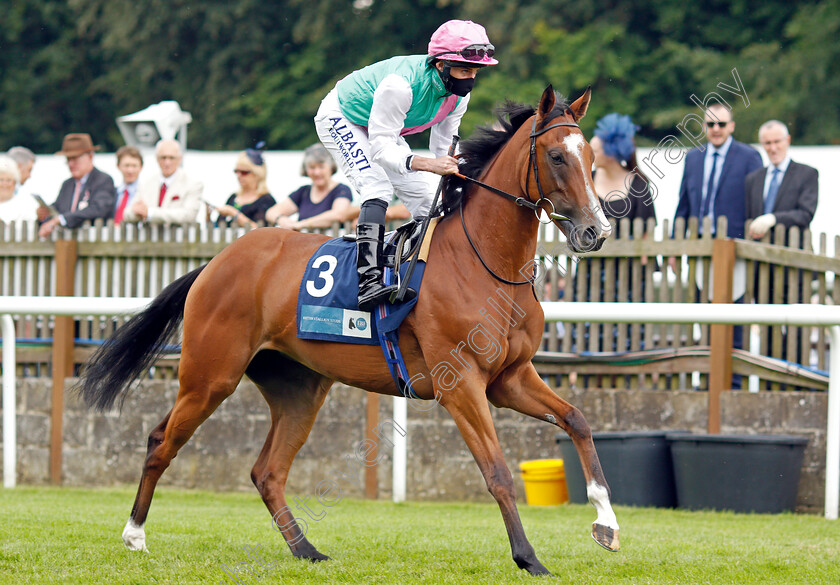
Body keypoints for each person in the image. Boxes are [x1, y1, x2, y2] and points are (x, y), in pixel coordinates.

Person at [314, 19, 497, 310]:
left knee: (428, 200)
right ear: (441, 64)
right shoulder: (400, 86)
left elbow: (444, 150)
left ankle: (431, 276)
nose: (470, 78)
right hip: (343, 116)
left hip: (382, 130)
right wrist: (426, 163)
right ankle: (368, 282)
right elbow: (381, 148)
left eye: (475, 70)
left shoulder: (458, 96)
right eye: (464, 69)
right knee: (377, 187)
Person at [673, 103, 763, 239]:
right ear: (704, 127)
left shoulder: (749, 157)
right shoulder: (692, 157)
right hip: (698, 239)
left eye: (721, 124)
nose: (716, 129)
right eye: (710, 124)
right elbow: (684, 204)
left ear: (731, 126)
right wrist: (675, 239)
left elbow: (758, 202)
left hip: (735, 241)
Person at [745, 120, 818, 244]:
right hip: (759, 255)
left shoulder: (807, 174)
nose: (773, 148)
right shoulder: (753, 179)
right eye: (767, 143)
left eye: (777, 141)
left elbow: (805, 215)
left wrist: (773, 218)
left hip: (793, 254)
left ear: (787, 140)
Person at [37, 133, 116, 238]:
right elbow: (59, 209)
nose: (70, 164)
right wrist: (45, 214)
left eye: (75, 158)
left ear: (90, 156)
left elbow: (98, 209)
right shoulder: (67, 184)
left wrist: (61, 219)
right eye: (68, 159)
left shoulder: (103, 180)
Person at [591, 113, 656, 237]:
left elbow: (647, 233)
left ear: (611, 154)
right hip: (591, 256)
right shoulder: (587, 180)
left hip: (629, 256)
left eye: (595, 151)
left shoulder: (639, 185)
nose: (591, 156)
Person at [265, 144, 352, 229]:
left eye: (321, 167)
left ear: (331, 167)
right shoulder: (303, 192)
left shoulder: (342, 190)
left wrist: (302, 224)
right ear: (306, 169)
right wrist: (282, 220)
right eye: (312, 167)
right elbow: (271, 213)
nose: (316, 172)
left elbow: (338, 214)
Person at [122, 139, 203, 224]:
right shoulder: (145, 183)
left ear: (179, 159)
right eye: (163, 157)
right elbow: (128, 213)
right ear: (157, 158)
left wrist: (150, 213)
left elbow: (188, 215)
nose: (167, 162)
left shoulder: (193, 184)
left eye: (171, 158)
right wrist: (136, 212)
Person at [215, 143, 276, 228]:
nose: (238, 176)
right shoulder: (233, 197)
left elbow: (260, 231)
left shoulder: (266, 200)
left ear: (257, 174)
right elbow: (217, 226)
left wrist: (234, 213)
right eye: (236, 171)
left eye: (244, 172)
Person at [0, 155, 38, 223]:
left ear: (14, 182)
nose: (4, 184)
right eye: (1, 180)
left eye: (8, 180)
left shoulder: (24, 203)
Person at [113, 146, 144, 225]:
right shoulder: (112, 192)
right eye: (126, 165)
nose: (130, 170)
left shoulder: (145, 193)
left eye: (134, 166)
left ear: (141, 167)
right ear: (118, 166)